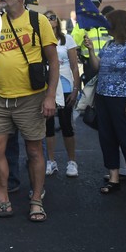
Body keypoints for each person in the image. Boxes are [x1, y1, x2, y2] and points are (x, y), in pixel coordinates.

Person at [0, 0, 58, 223]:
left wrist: (50, 96)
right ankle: (2, 201)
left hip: (31, 98)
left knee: (33, 150)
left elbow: (53, 61)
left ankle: (36, 201)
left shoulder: (37, 21)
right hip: (0, 97)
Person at [85, 9, 126, 198]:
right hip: (103, 98)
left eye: (109, 21)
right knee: (107, 139)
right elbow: (98, 68)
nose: (106, 24)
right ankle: (113, 177)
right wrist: (91, 50)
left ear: (118, 24)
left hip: (123, 99)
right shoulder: (108, 44)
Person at [43, 10, 81, 178]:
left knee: (66, 125)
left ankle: (71, 162)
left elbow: (74, 66)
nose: (50, 20)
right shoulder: (40, 40)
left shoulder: (67, 39)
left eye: (52, 17)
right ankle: (51, 161)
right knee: (48, 126)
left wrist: (75, 88)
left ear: (57, 21)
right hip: (47, 87)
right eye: (46, 18)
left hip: (65, 86)